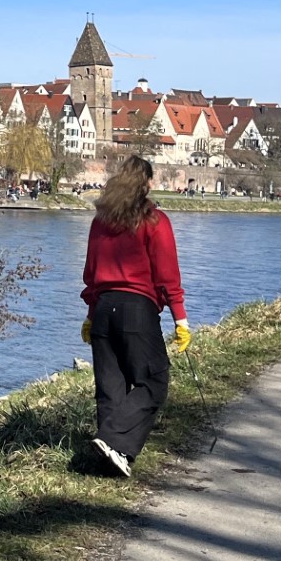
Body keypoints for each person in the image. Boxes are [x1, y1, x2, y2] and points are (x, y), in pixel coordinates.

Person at [80, 154, 189, 478]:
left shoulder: (101, 221)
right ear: (147, 184)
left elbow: (91, 272)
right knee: (154, 381)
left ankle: (113, 457)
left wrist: (90, 313)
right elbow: (167, 275)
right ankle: (112, 439)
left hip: (103, 310)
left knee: (110, 386)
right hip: (136, 309)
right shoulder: (155, 220)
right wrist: (180, 319)